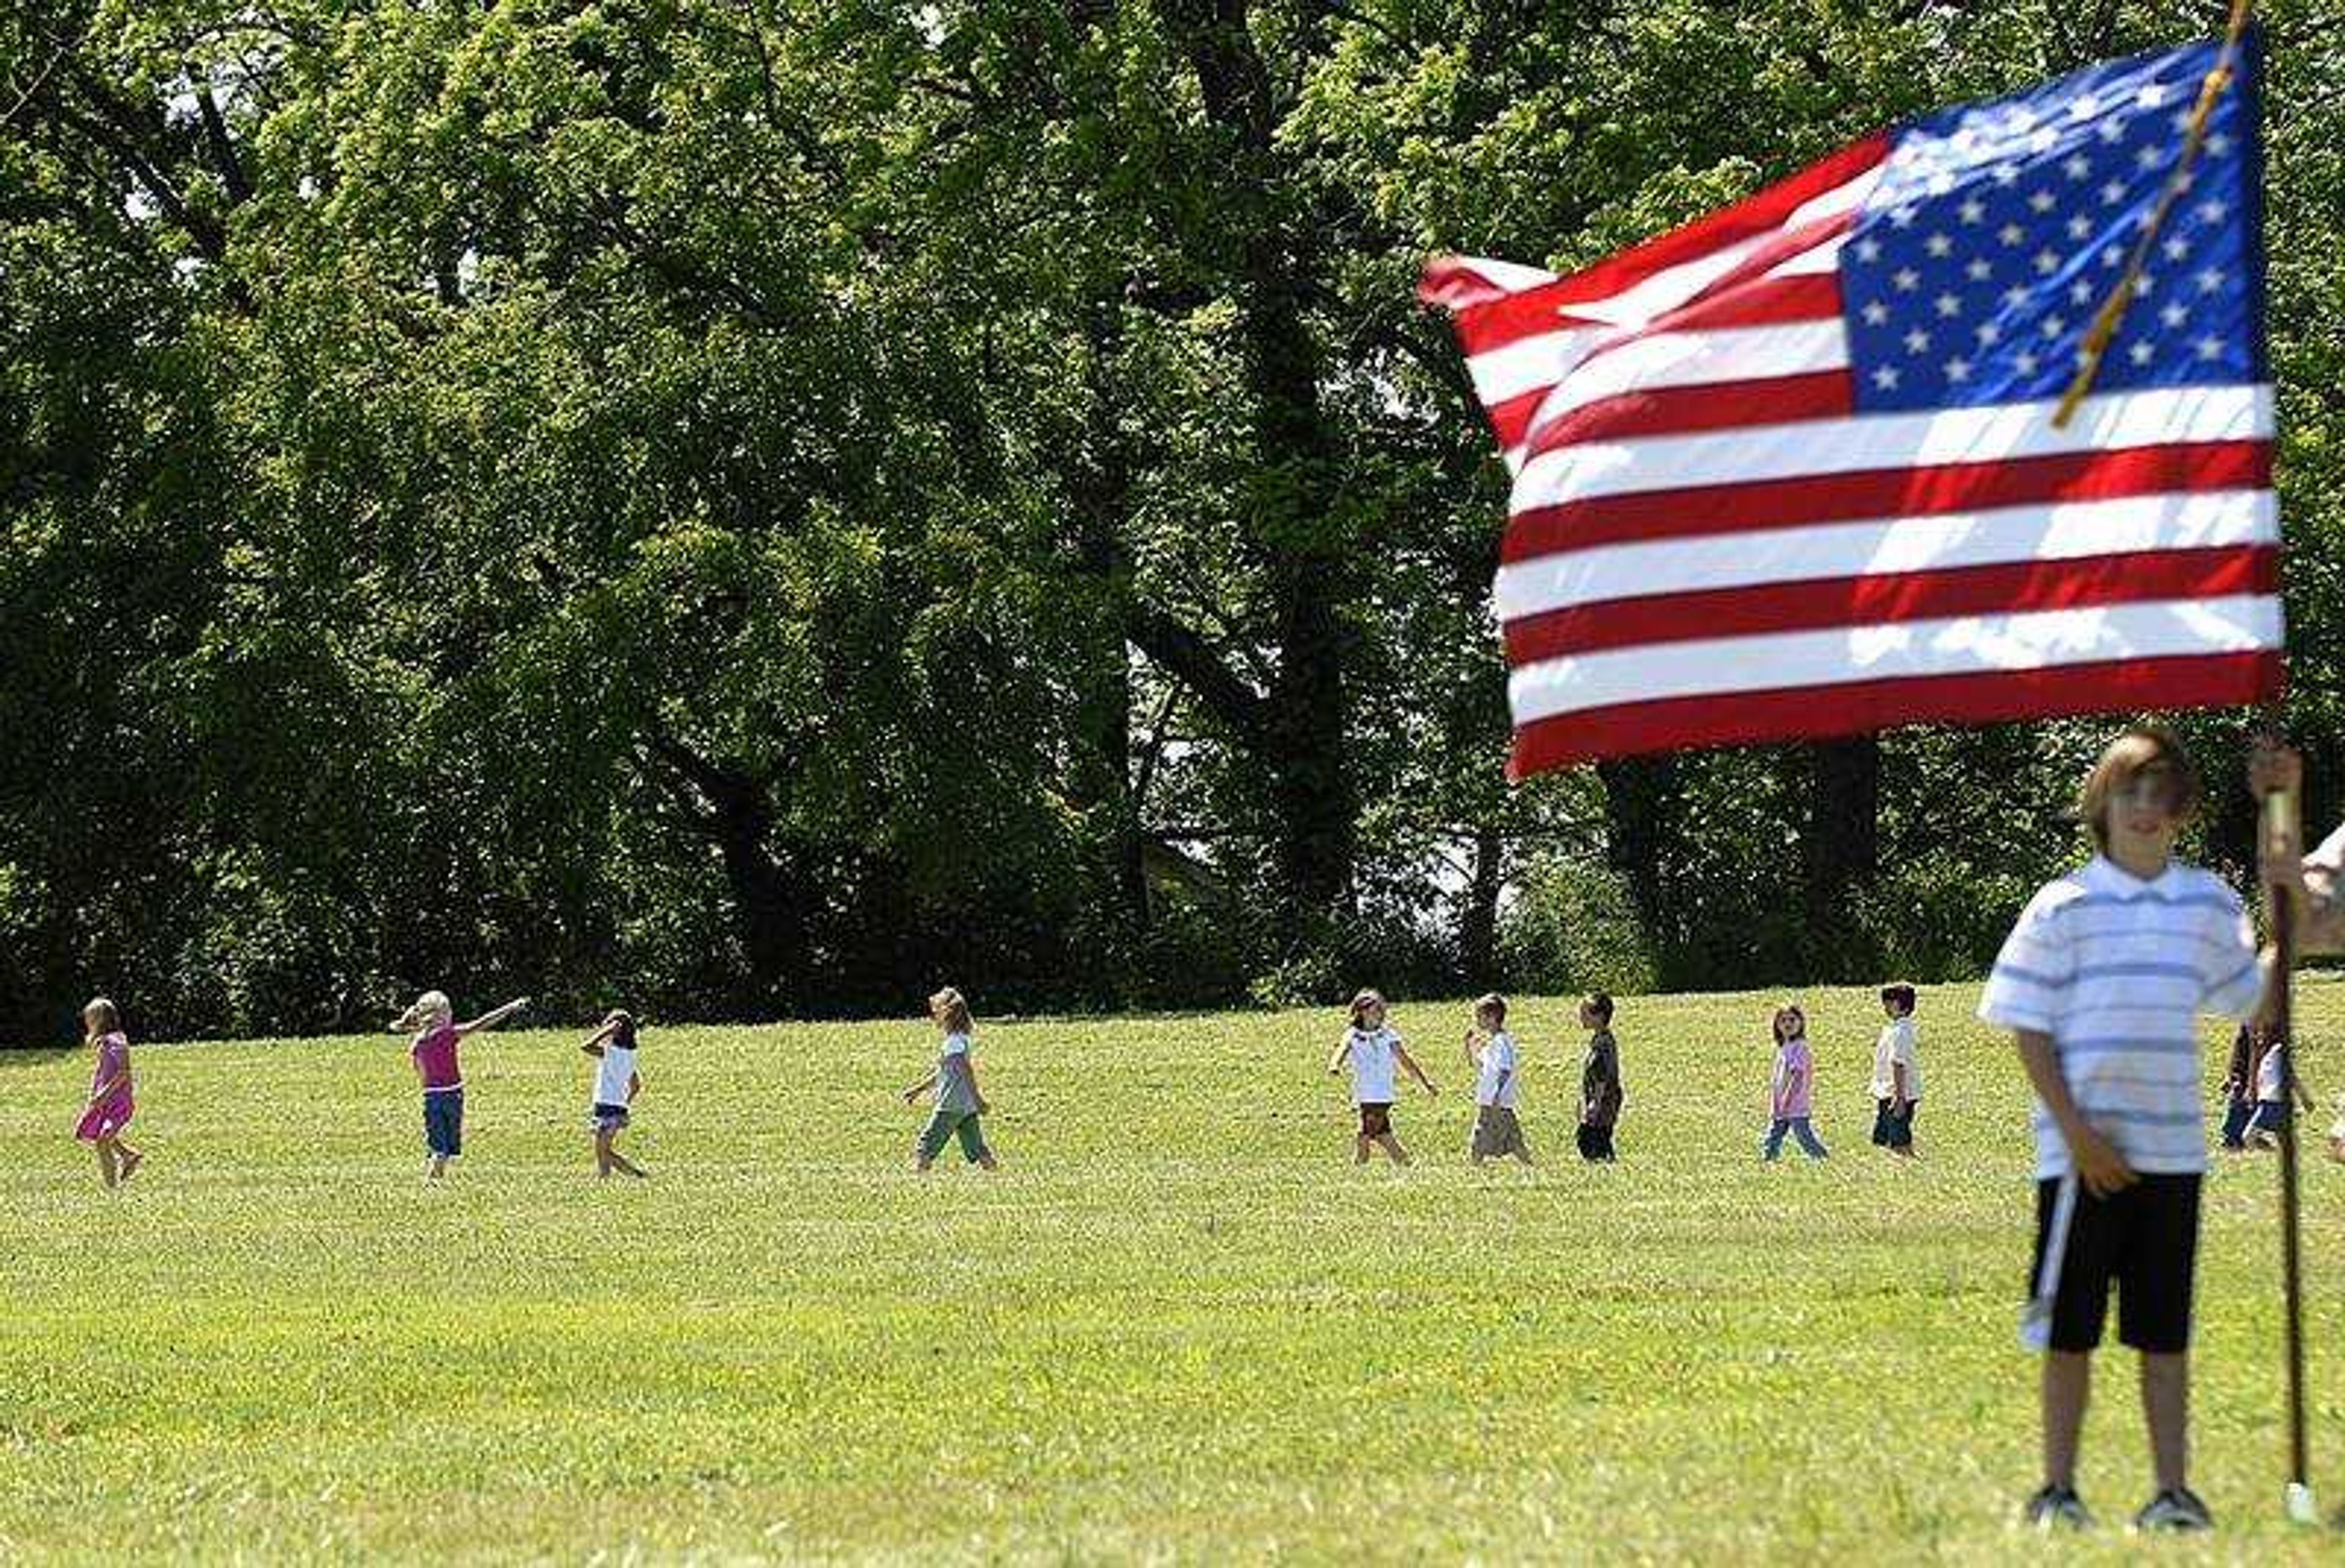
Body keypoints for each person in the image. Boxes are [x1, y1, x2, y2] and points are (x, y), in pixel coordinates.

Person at [1980, 725, 2280, 1534]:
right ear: (2100, 805)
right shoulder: (2064, 906)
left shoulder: (2205, 904)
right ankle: (2059, 1490)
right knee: (2070, 1333)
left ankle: (2172, 1494)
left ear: (2181, 811)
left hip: (2172, 1153)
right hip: (2080, 1160)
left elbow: (2249, 1000)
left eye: (2162, 794)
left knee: (2164, 1334)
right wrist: (2075, 1133)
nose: (2145, 808)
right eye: (2129, 792)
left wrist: (2282, 896)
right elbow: (2028, 1026)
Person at [392, 989, 529, 1179]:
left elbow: (420, 1072)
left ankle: (435, 1173)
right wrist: (510, 1007)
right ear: (441, 1015)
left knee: (438, 1144)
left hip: (431, 1097)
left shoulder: (418, 1043)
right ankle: (433, 1176)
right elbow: (483, 1022)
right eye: (449, 1011)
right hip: (453, 1096)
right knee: (447, 1146)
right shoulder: (449, 1034)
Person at [1325, 989, 1435, 1165]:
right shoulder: (1353, 1034)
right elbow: (1342, 1050)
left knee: (1367, 1132)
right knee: (1380, 1133)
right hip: (1364, 1093)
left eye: (1382, 1010)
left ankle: (1362, 1162)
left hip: (1381, 1093)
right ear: (1362, 1011)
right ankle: (1403, 1162)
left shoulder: (1388, 1035)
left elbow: (1405, 1060)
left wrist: (1424, 1082)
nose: (1381, 1015)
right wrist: (1334, 1065)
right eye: (1376, 1011)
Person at [904, 986, 997, 1172]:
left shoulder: (954, 1042)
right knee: (976, 1146)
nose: (933, 1017)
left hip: (950, 1104)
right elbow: (944, 1073)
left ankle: (917, 1175)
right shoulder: (962, 1039)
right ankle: (993, 1171)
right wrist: (918, 1090)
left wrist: (978, 1098)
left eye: (936, 1013)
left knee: (926, 1145)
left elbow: (965, 1070)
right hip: (965, 1105)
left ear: (947, 1016)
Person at [73, 997, 144, 1189]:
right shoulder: (104, 1042)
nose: (87, 1022)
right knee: (98, 1134)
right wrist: (93, 1093)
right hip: (105, 1101)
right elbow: (101, 1070)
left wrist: (103, 1094)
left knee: (103, 1140)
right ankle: (128, 1156)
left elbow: (124, 1071)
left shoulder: (116, 1041)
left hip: (118, 1102)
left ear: (101, 1019)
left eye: (90, 1018)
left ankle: (112, 1190)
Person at [1463, 993, 1531, 1166]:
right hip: (1492, 1100)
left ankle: (1474, 1166)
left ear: (1492, 1017)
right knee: (1512, 1138)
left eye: (1479, 1016)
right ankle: (1529, 1165)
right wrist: (1469, 1046)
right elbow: (1478, 1065)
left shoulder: (1501, 1042)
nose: (1477, 1021)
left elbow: (1505, 1070)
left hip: (1495, 1100)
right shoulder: (1493, 1042)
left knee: (1480, 1136)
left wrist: (1497, 1094)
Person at [581, 1009, 648, 1178]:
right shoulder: (630, 1055)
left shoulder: (609, 1052)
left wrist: (606, 1031)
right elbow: (636, 1085)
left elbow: (586, 1046)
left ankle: (636, 1174)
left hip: (605, 1106)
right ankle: (604, 1180)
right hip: (617, 1107)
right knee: (603, 1150)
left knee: (603, 1151)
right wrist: (625, 1103)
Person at [1759, 1003, 1827, 1161]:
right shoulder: (1784, 1047)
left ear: (1801, 1023)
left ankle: (1822, 1159)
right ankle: (1768, 1160)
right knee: (1773, 1136)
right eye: (1783, 1020)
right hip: (1780, 1104)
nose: (1788, 1024)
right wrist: (1777, 1100)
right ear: (1777, 1025)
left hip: (1795, 1104)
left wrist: (1787, 1099)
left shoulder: (1800, 1047)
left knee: (1804, 1137)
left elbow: (1797, 1076)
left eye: (1792, 1019)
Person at [1869, 984, 1922, 1159]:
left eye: (1891, 1002)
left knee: (1899, 1140)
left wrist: (1900, 1098)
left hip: (1898, 1095)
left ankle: (1909, 1165)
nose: (1886, 1006)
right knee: (1881, 1138)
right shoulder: (1894, 1029)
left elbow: (1898, 1064)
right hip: (1889, 1093)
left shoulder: (1901, 1032)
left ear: (1904, 1006)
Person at [2244, 1034, 2315, 1152]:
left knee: (2248, 1137)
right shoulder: (2268, 1057)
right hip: (2272, 1101)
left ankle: (2271, 1156)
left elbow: (2291, 1077)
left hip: (2272, 1102)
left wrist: (2305, 1099)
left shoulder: (2277, 1051)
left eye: (2261, 1038)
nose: (2259, 1041)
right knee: (2282, 1140)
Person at [1576, 993, 1623, 1163]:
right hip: (1599, 1097)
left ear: (1600, 1016)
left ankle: (1606, 1165)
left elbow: (1602, 1075)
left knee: (1592, 1140)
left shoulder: (1603, 1043)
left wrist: (1595, 1102)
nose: (1580, 1016)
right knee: (1593, 1138)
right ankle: (1605, 1163)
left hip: (1605, 1098)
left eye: (1585, 1013)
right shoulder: (1599, 1038)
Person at [2216, 1022, 2270, 1152]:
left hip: (2244, 1072)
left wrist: (2229, 1075)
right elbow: (2253, 1055)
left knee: (2246, 1101)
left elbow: (2236, 1048)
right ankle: (2233, 1138)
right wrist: (2251, 1085)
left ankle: (2246, 1135)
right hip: (2246, 1073)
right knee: (2241, 1101)